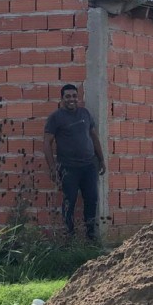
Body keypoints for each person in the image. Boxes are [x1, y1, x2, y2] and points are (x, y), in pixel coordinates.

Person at [43, 84, 106, 239]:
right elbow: (46, 144)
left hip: (89, 166)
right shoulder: (56, 117)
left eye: (74, 96)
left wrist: (101, 159)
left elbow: (93, 136)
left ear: (78, 97)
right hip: (68, 168)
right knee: (69, 202)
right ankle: (69, 237)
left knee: (92, 199)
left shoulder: (85, 113)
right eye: (68, 96)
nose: (72, 99)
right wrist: (52, 168)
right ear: (62, 99)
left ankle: (90, 236)